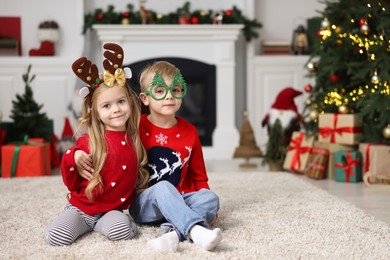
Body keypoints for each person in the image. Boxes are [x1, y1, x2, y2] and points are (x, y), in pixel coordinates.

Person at [75, 61, 222, 252]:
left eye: (176, 90)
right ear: (145, 98)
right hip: (144, 205)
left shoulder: (190, 132)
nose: (169, 96)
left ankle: (172, 234)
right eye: (160, 91)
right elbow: (99, 134)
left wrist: (210, 208)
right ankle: (195, 230)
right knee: (163, 188)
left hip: (181, 201)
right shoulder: (134, 127)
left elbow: (199, 177)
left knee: (210, 198)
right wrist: (78, 151)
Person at [44, 43, 149, 246]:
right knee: (56, 237)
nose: (116, 109)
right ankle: (82, 223)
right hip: (82, 209)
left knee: (123, 231)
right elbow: (71, 180)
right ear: (96, 113)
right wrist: (73, 157)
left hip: (111, 211)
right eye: (107, 106)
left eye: (121, 102)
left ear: (130, 101)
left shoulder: (134, 138)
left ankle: (102, 225)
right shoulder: (90, 140)